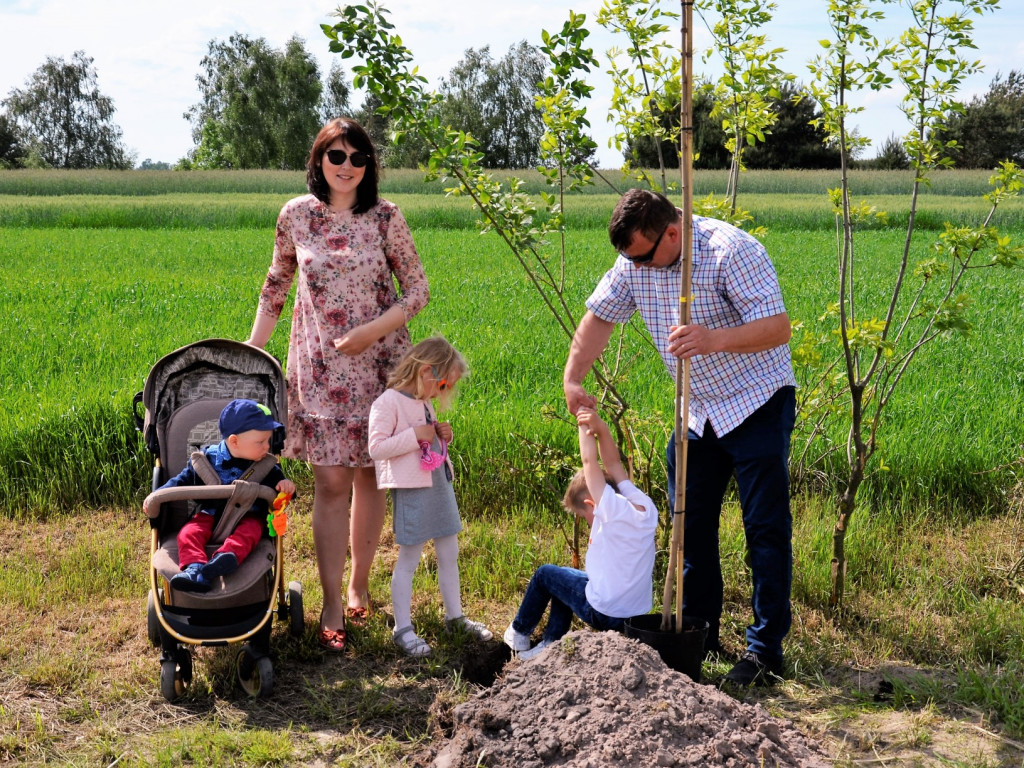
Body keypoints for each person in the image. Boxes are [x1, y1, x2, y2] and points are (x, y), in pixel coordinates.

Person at [563, 188, 796, 687]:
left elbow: (778, 327)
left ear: (672, 232)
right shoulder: (635, 262)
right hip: (696, 412)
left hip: (757, 401)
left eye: (644, 257)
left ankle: (765, 652)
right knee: (689, 528)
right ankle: (700, 632)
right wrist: (573, 377)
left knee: (765, 531)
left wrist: (713, 339)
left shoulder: (731, 249)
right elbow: (599, 317)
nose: (637, 268)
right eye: (629, 260)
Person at [247, 117, 429, 653]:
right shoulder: (296, 216)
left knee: (372, 477)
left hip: (380, 367)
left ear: (368, 166)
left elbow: (417, 291)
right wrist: (252, 353)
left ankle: (359, 584)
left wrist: (371, 330)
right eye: (336, 156)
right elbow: (276, 285)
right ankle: (330, 602)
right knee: (330, 483)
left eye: (357, 157)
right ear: (318, 161)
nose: (346, 166)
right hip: (320, 369)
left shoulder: (386, 217)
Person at [367, 336, 493, 656]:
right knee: (409, 558)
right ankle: (403, 629)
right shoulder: (388, 403)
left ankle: (455, 617)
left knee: (449, 552)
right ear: (424, 372)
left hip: (438, 483)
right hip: (412, 490)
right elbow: (377, 448)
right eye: (441, 385)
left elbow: (426, 441)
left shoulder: (423, 401)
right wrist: (415, 436)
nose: (441, 393)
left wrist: (439, 434)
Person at [503, 406, 658, 660]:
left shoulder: (608, 509)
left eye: (583, 516)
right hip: (634, 616)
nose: (587, 522)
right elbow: (613, 463)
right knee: (565, 581)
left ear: (591, 505)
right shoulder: (644, 507)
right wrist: (602, 427)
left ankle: (519, 633)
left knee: (545, 576)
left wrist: (582, 418)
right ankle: (551, 642)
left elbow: (590, 462)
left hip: (606, 613)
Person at [144, 399, 297, 593]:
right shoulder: (205, 461)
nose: (267, 446)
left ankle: (227, 557)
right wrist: (157, 494)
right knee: (188, 534)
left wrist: (286, 487)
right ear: (234, 441)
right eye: (260, 442)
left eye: (268, 440)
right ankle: (194, 568)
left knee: (250, 532)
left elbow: (281, 497)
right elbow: (180, 481)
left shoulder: (267, 467)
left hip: (247, 517)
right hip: (208, 514)